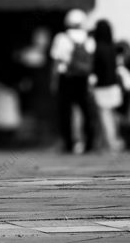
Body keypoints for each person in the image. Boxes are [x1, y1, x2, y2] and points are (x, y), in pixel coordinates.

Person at [50, 9, 97, 154]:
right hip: (83, 79)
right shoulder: (89, 39)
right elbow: (91, 62)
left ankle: (68, 143)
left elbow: (56, 61)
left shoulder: (61, 38)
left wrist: (53, 80)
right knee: (86, 111)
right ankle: (89, 143)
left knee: (65, 112)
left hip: (66, 78)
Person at [91, 19, 125, 153]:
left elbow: (96, 69)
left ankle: (111, 142)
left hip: (102, 86)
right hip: (114, 85)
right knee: (113, 115)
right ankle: (114, 140)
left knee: (104, 116)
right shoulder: (113, 47)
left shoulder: (98, 48)